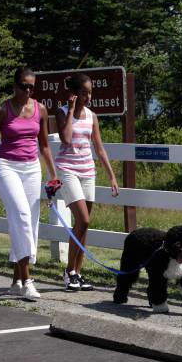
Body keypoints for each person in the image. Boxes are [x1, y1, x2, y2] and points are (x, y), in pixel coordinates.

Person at [0, 67, 57, 301]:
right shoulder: (2, 110)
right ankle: (28, 280)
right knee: (21, 215)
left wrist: (53, 175)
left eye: (32, 86)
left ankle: (15, 282)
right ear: (15, 86)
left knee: (29, 224)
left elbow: (44, 145)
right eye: (24, 85)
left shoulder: (40, 109)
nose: (28, 90)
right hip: (7, 167)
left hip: (31, 168)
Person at [55, 72, 119, 291]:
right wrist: (72, 109)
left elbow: (99, 148)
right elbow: (65, 138)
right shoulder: (62, 112)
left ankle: (78, 274)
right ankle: (69, 271)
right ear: (74, 94)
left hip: (87, 171)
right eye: (84, 93)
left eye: (90, 92)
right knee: (83, 219)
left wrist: (111, 175)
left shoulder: (92, 116)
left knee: (84, 225)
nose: (88, 97)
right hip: (67, 170)